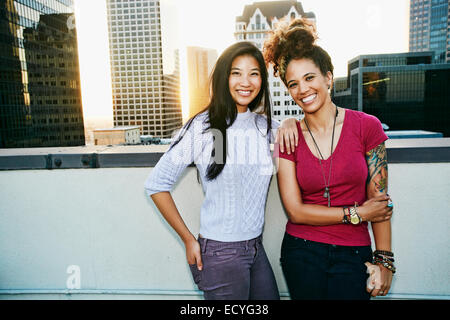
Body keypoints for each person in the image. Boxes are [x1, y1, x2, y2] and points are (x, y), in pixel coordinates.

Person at [263, 18, 396, 300]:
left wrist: (384, 260)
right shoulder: (288, 136)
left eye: (310, 78)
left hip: (354, 253)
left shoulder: (367, 126)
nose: (303, 90)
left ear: (328, 77)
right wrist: (357, 213)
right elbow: (296, 211)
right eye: (293, 84)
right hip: (302, 250)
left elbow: (379, 203)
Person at [145, 41, 284, 300]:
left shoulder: (268, 128)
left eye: (254, 73)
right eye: (236, 73)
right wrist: (187, 239)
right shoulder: (204, 127)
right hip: (221, 254)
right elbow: (156, 184)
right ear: (224, 77)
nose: (246, 81)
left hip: (256, 248)